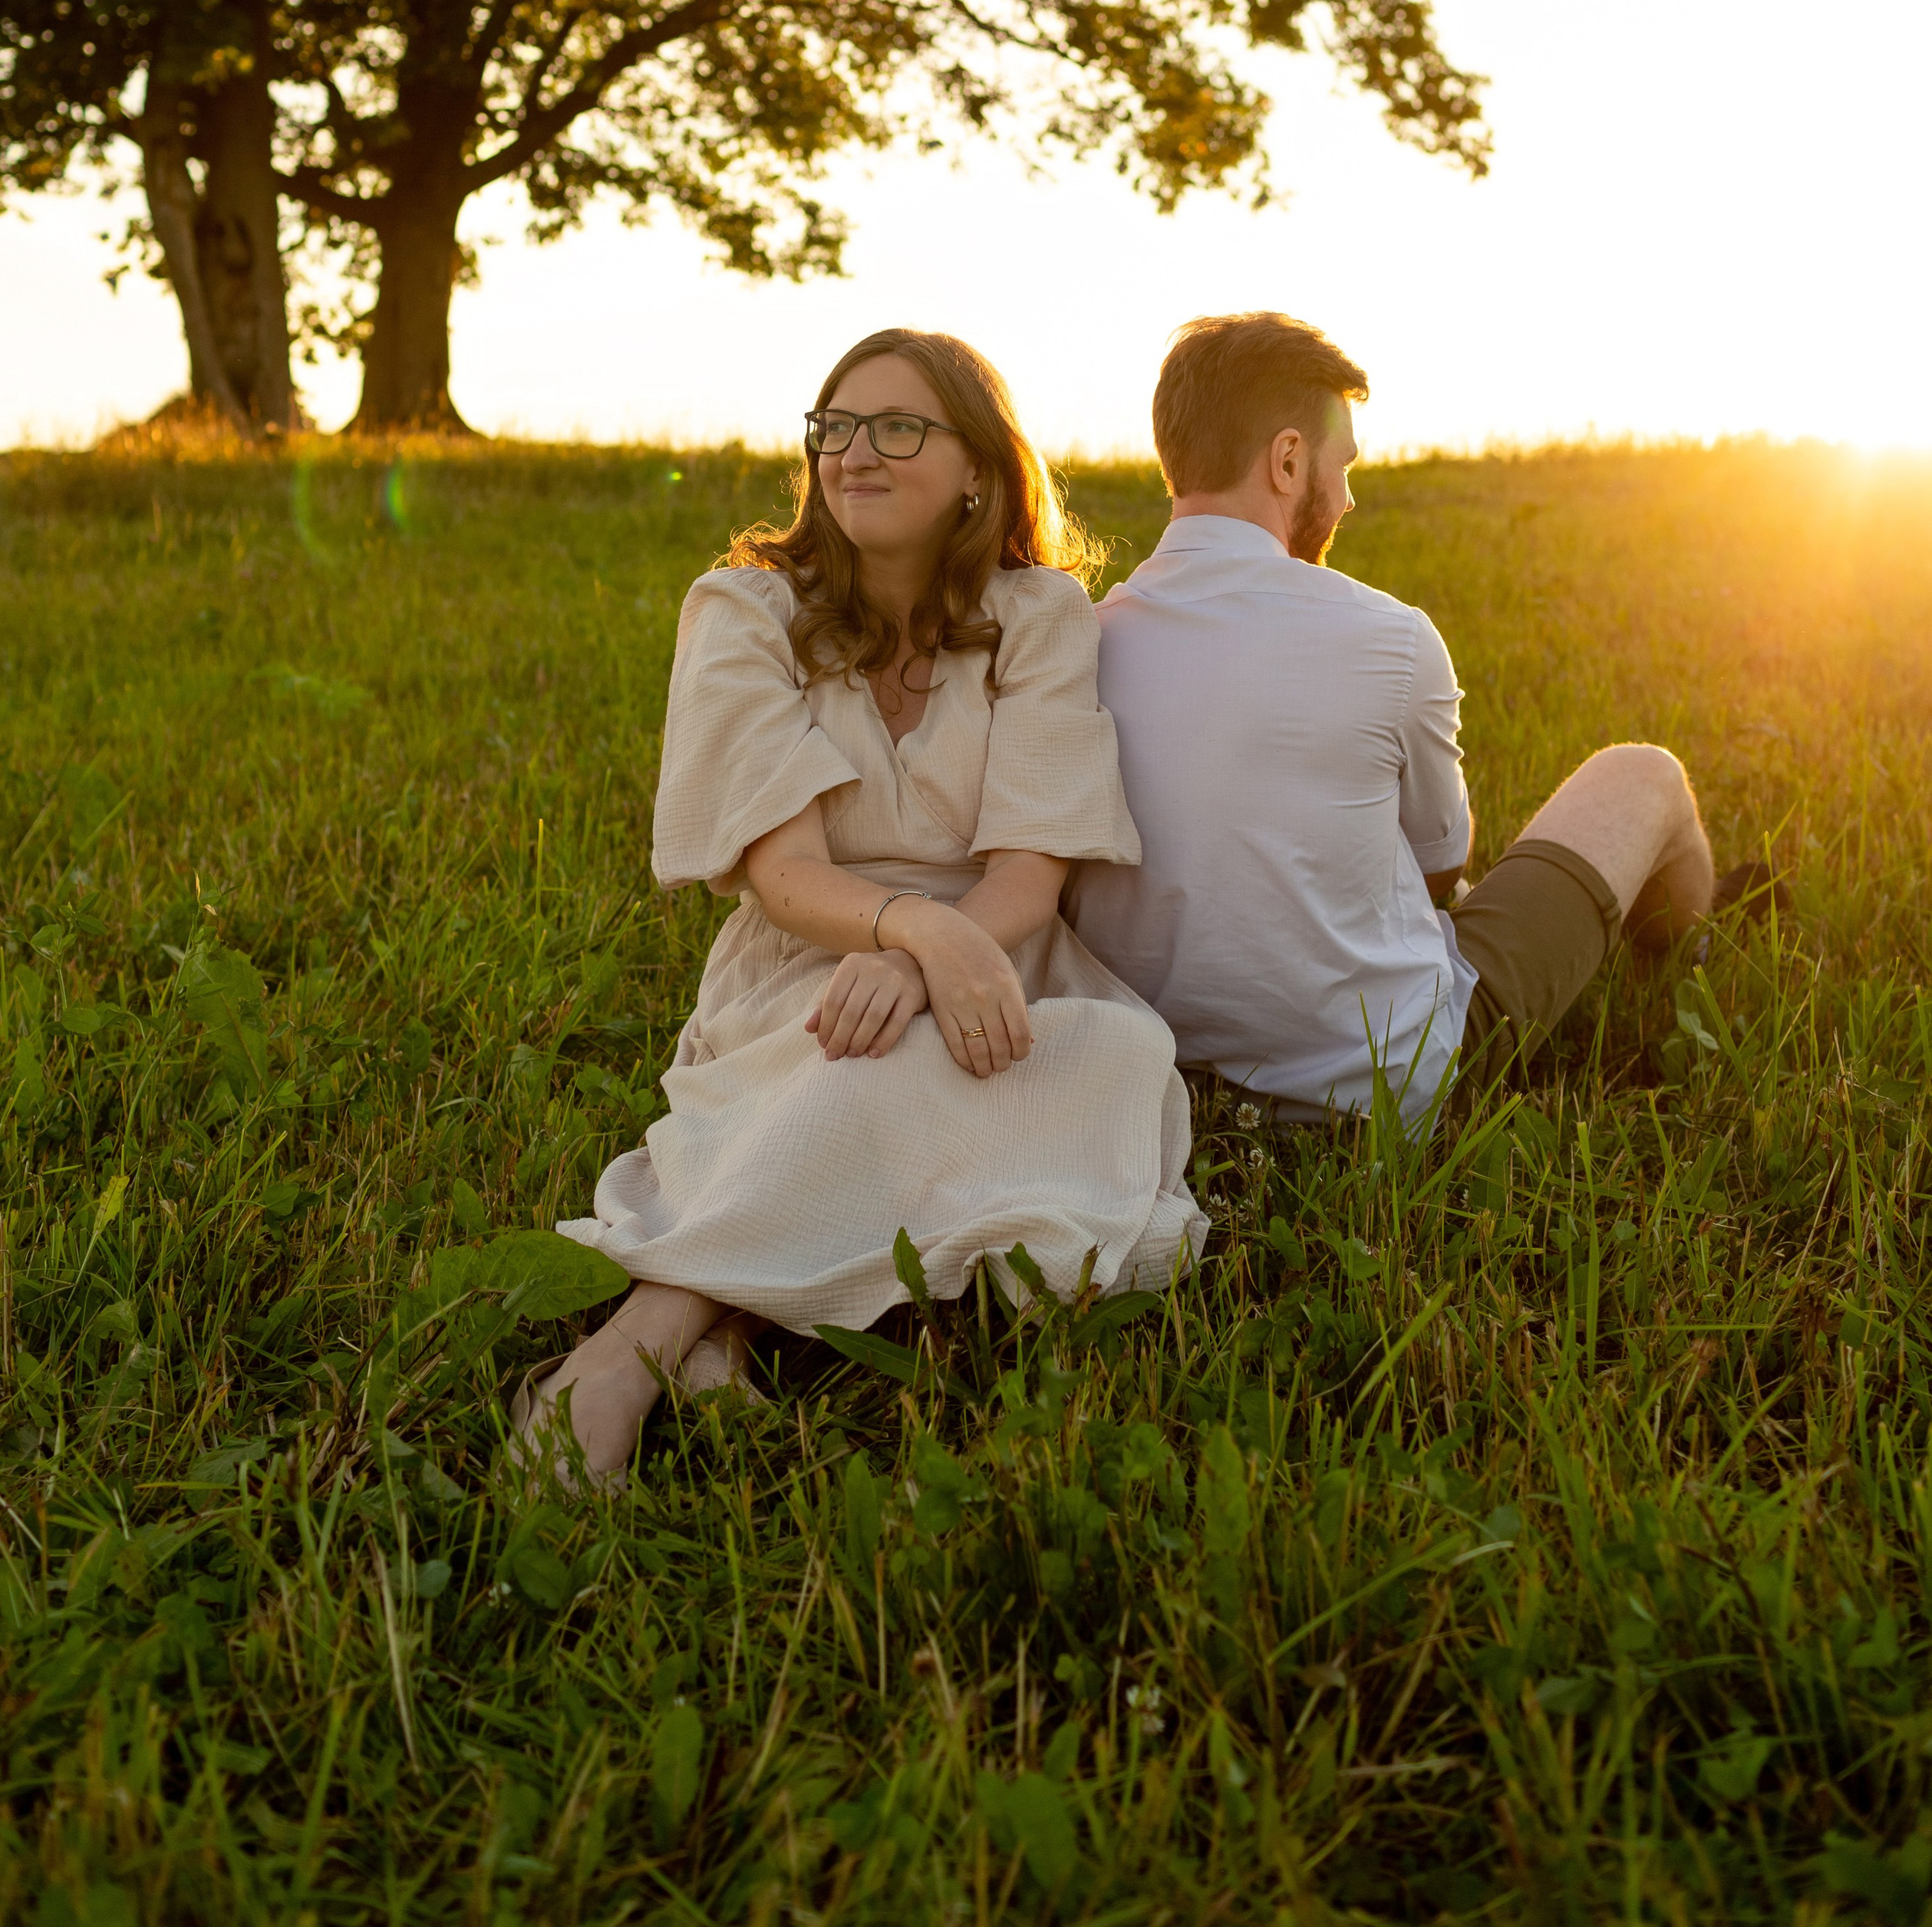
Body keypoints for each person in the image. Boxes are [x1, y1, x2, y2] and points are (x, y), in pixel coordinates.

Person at [517, 328, 1206, 1481]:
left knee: (1111, 1062)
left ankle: (710, 1323)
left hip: (1004, 949)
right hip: (809, 947)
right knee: (862, 1054)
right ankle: (629, 1351)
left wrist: (941, 944)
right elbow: (786, 878)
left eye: (897, 429)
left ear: (979, 470)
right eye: (833, 428)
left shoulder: (1040, 615)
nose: (854, 454)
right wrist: (903, 933)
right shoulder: (745, 611)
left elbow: (1032, 874)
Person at [1069, 312, 1740, 1127]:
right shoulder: (1390, 637)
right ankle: (1685, 946)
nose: (1347, 499)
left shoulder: (1080, 644)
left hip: (1157, 1088)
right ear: (1287, 460)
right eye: (1342, 465)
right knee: (1645, 775)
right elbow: (1436, 879)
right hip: (1382, 1085)